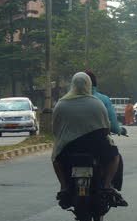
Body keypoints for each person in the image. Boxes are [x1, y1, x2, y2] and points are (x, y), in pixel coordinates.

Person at [52, 72, 127, 209]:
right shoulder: (97, 103)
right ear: (89, 85)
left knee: (56, 159)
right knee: (115, 156)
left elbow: (56, 129)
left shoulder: (61, 103)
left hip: (69, 148)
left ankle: (64, 187)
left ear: (72, 84)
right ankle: (107, 185)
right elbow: (105, 127)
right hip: (96, 147)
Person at [84, 71, 127, 136]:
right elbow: (114, 127)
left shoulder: (65, 101)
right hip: (97, 139)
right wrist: (121, 130)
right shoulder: (104, 99)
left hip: (71, 143)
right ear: (94, 83)